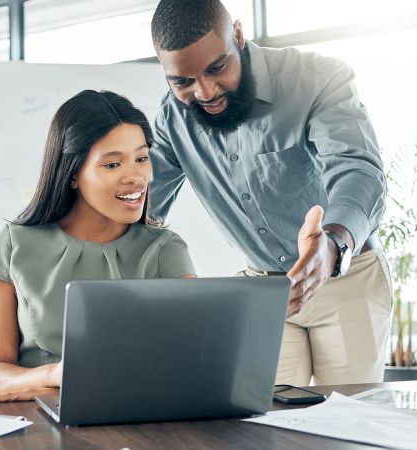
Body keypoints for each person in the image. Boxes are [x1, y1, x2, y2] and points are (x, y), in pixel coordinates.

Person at [149, 0, 391, 386]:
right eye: (183, 82)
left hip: (346, 278)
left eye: (216, 68)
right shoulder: (172, 119)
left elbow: (358, 171)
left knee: (350, 424)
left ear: (239, 35)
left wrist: (331, 246)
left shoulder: (316, 78)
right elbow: (141, 206)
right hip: (262, 290)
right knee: (267, 425)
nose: (206, 91)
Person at [0, 90, 196, 403]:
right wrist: (55, 374)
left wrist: (31, 386)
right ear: (73, 173)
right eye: (112, 164)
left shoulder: (166, 251)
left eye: (141, 158)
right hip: (37, 426)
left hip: (135, 420)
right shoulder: (14, 245)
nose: (135, 177)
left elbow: (192, 365)